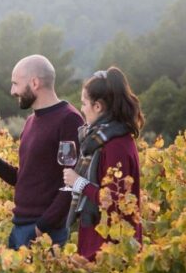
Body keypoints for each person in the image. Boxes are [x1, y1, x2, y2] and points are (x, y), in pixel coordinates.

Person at [0, 55, 84, 249]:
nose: (12, 91)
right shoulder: (31, 121)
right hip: (20, 226)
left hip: (44, 232)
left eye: (15, 84)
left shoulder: (69, 120)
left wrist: (41, 227)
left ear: (34, 83)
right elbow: (26, 178)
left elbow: (71, 185)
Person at [62, 67, 144, 261]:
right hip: (100, 243)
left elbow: (115, 202)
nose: (81, 109)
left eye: (84, 103)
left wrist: (79, 183)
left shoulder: (116, 145)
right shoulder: (102, 140)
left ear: (97, 106)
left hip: (112, 249)